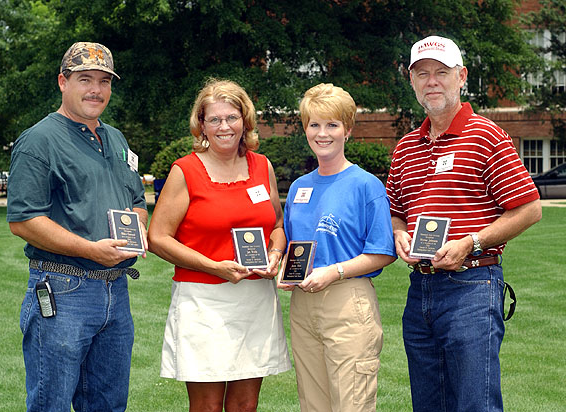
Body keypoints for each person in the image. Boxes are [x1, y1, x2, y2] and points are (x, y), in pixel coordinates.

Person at [386, 35, 542, 412]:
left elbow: (529, 208)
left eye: (442, 72)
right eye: (422, 74)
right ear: (412, 82)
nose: (432, 81)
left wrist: (471, 243)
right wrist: (399, 233)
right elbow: (396, 210)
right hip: (420, 287)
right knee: (429, 404)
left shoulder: (487, 136)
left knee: (475, 404)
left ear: (462, 77)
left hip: (472, 285)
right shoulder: (407, 146)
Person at [7, 42, 148, 412]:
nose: (96, 90)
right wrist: (89, 249)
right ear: (62, 82)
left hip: (116, 292)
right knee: (51, 404)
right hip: (63, 290)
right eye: (85, 79)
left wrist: (136, 230)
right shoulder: (39, 141)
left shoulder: (116, 139)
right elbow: (24, 220)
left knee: (108, 405)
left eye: (104, 81)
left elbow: (135, 200)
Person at [147, 78, 291, 412]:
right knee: (208, 407)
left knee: (245, 405)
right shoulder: (185, 170)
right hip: (203, 301)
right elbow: (158, 237)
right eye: (214, 119)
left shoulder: (262, 166)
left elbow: (279, 225)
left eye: (231, 118)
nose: (224, 126)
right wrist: (214, 266)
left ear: (245, 122)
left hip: (255, 298)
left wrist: (275, 253)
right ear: (202, 125)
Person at [279, 83, 397, 412]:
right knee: (313, 404)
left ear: (348, 130)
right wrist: (284, 271)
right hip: (303, 304)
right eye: (314, 124)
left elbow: (383, 252)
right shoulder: (300, 188)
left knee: (351, 403)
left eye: (332, 125)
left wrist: (333, 272)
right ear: (305, 129)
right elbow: (294, 246)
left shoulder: (366, 185)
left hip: (348, 301)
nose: (322, 133)